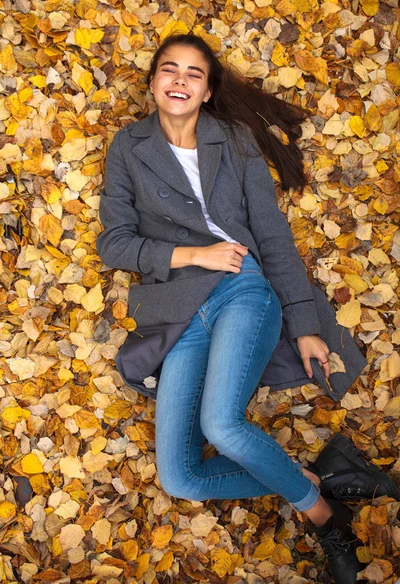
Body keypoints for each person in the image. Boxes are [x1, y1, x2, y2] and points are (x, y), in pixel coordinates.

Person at [96, 33, 399, 584]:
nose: (180, 80)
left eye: (194, 73)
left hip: (242, 291)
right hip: (180, 312)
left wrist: (305, 324)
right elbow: (114, 243)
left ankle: (323, 516)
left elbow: (273, 237)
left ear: (208, 91)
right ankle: (325, 476)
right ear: (152, 84)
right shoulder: (128, 147)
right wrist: (194, 253)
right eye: (170, 69)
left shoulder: (232, 140)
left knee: (222, 423)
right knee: (181, 477)